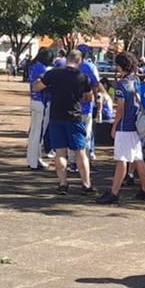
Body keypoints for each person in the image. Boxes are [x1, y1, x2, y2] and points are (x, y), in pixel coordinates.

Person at [34, 50, 96, 195]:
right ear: (79, 61)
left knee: (60, 152)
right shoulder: (82, 77)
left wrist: (46, 85)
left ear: (67, 59)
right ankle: (86, 185)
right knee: (80, 152)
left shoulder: (53, 73)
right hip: (74, 116)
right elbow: (89, 97)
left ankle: (63, 184)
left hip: (56, 116)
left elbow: (37, 86)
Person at [97, 53, 145, 204]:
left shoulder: (122, 83)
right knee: (137, 157)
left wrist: (114, 125)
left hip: (124, 125)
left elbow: (120, 108)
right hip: (134, 124)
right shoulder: (136, 80)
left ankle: (114, 192)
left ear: (121, 66)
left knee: (121, 159)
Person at [26, 48, 54, 170]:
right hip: (41, 102)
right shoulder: (42, 69)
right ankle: (34, 162)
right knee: (38, 133)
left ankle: (33, 159)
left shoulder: (33, 66)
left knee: (34, 132)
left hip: (33, 100)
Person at [76, 44, 102, 164]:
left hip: (72, 104)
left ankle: (73, 162)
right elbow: (96, 84)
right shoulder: (88, 66)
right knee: (86, 133)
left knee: (74, 133)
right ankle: (85, 160)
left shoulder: (70, 65)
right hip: (86, 105)